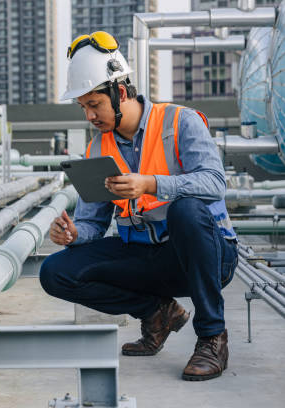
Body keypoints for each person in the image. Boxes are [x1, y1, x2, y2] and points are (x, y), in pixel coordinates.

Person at [39, 31, 238, 381]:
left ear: (121, 91)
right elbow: (93, 224)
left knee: (185, 209)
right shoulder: (99, 148)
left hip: (207, 255)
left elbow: (214, 182)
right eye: (83, 107)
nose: (89, 116)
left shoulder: (181, 121)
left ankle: (212, 337)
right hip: (145, 255)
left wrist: (151, 183)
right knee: (55, 272)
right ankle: (158, 313)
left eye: (94, 104)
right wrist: (73, 235)